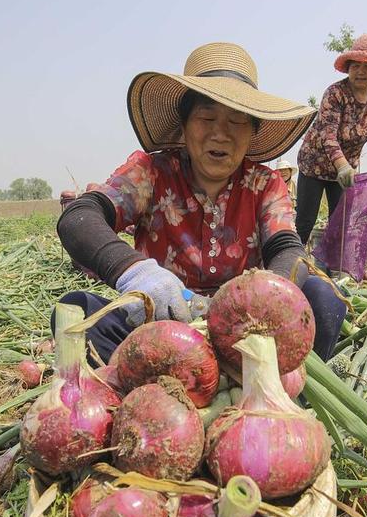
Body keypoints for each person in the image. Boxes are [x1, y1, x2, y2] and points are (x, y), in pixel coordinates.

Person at [56, 42, 347, 364]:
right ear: (183, 127)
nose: (220, 134)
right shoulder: (151, 175)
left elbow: (288, 249)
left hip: (248, 334)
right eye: (206, 118)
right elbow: (79, 218)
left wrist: (260, 300)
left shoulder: (264, 184)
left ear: (252, 133)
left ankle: (271, 402)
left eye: (237, 122)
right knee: (76, 311)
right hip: (159, 328)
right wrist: (135, 272)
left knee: (325, 300)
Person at [296, 34, 367, 246]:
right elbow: (328, 134)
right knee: (305, 221)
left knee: (341, 223)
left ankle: (335, 269)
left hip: (345, 173)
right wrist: (342, 166)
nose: (360, 71)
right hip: (314, 165)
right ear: (348, 67)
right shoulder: (335, 93)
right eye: (355, 65)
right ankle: (291, 263)